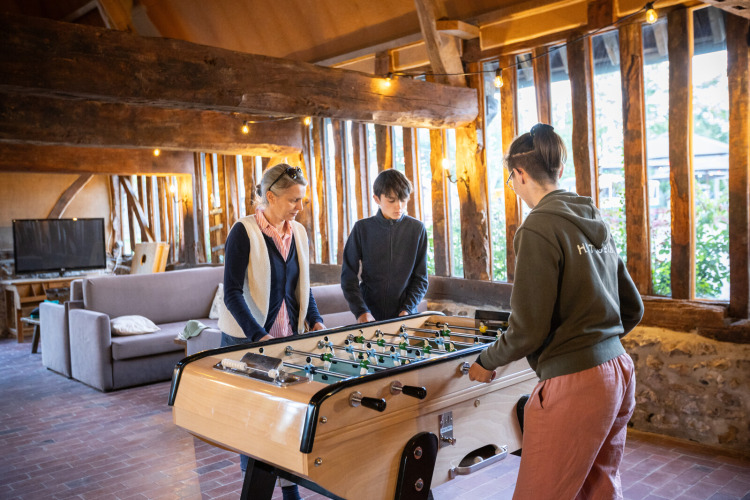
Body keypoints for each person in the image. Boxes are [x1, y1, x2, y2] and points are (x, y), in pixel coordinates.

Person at [468, 123, 644, 499]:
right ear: (559, 170)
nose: (514, 186)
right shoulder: (593, 217)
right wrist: (599, 344)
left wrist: (486, 360)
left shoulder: (537, 227)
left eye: (511, 179)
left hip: (576, 384)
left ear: (519, 174)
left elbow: (528, 329)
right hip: (619, 371)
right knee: (599, 489)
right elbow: (633, 308)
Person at [218, 162, 325, 500]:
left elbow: (303, 286)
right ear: (270, 197)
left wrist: (316, 319)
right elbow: (231, 293)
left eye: (302, 200)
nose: (299, 206)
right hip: (247, 341)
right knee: (254, 423)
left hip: (287, 340)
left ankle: (291, 493)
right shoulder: (243, 232)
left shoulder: (299, 232)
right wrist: (258, 336)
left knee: (287, 420)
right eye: (294, 200)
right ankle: (256, 492)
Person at [341, 169, 429, 323]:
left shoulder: (417, 229)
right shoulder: (362, 229)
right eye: (391, 200)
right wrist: (361, 311)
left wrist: (407, 309)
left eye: (403, 199)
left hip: (406, 316)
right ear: (377, 199)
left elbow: (421, 279)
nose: (399, 206)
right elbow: (348, 277)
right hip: (369, 317)